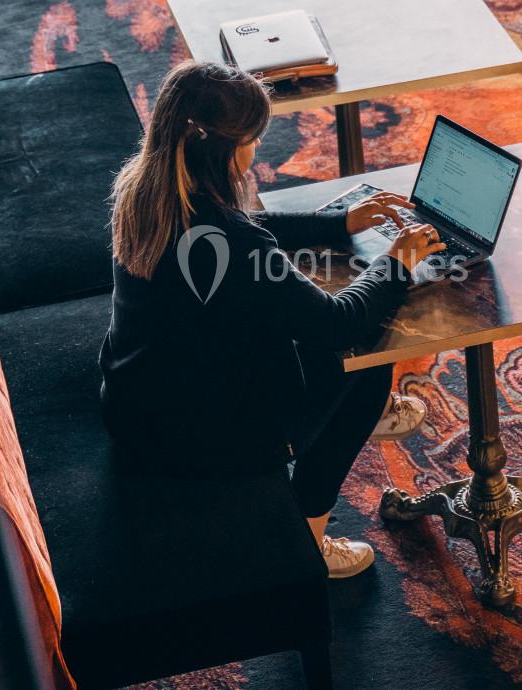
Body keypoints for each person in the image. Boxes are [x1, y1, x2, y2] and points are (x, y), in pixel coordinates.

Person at [100, 61, 446, 578]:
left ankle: (356, 418)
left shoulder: (144, 185)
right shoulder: (232, 241)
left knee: (306, 331)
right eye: (253, 139)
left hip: (136, 401)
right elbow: (336, 322)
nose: (258, 149)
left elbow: (241, 226)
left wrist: (337, 224)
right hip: (200, 436)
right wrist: (396, 261)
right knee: (365, 359)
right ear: (226, 151)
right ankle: (306, 544)